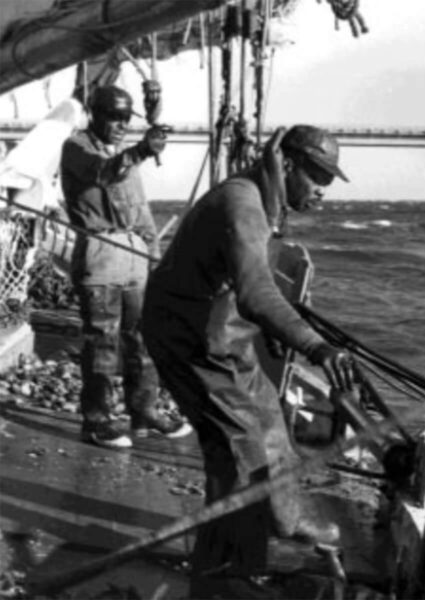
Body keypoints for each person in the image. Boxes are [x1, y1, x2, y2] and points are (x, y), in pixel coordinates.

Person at [141, 124, 355, 598]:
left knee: (270, 420)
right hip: (188, 339)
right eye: (316, 176)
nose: (322, 190)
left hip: (223, 334)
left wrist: (271, 332)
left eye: (328, 179)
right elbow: (257, 292)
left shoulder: (267, 199)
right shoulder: (243, 205)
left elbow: (249, 283)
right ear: (289, 165)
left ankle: (287, 518)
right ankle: (222, 576)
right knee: (238, 449)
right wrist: (315, 345)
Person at [60, 85, 192, 449]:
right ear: (93, 114)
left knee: (142, 338)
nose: (120, 125)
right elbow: (102, 173)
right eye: (113, 117)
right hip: (100, 252)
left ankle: (142, 411)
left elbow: (141, 210)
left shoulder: (125, 156)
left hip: (134, 252)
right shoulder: (76, 148)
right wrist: (140, 151)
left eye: (125, 118)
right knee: (101, 340)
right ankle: (97, 421)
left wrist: (155, 255)